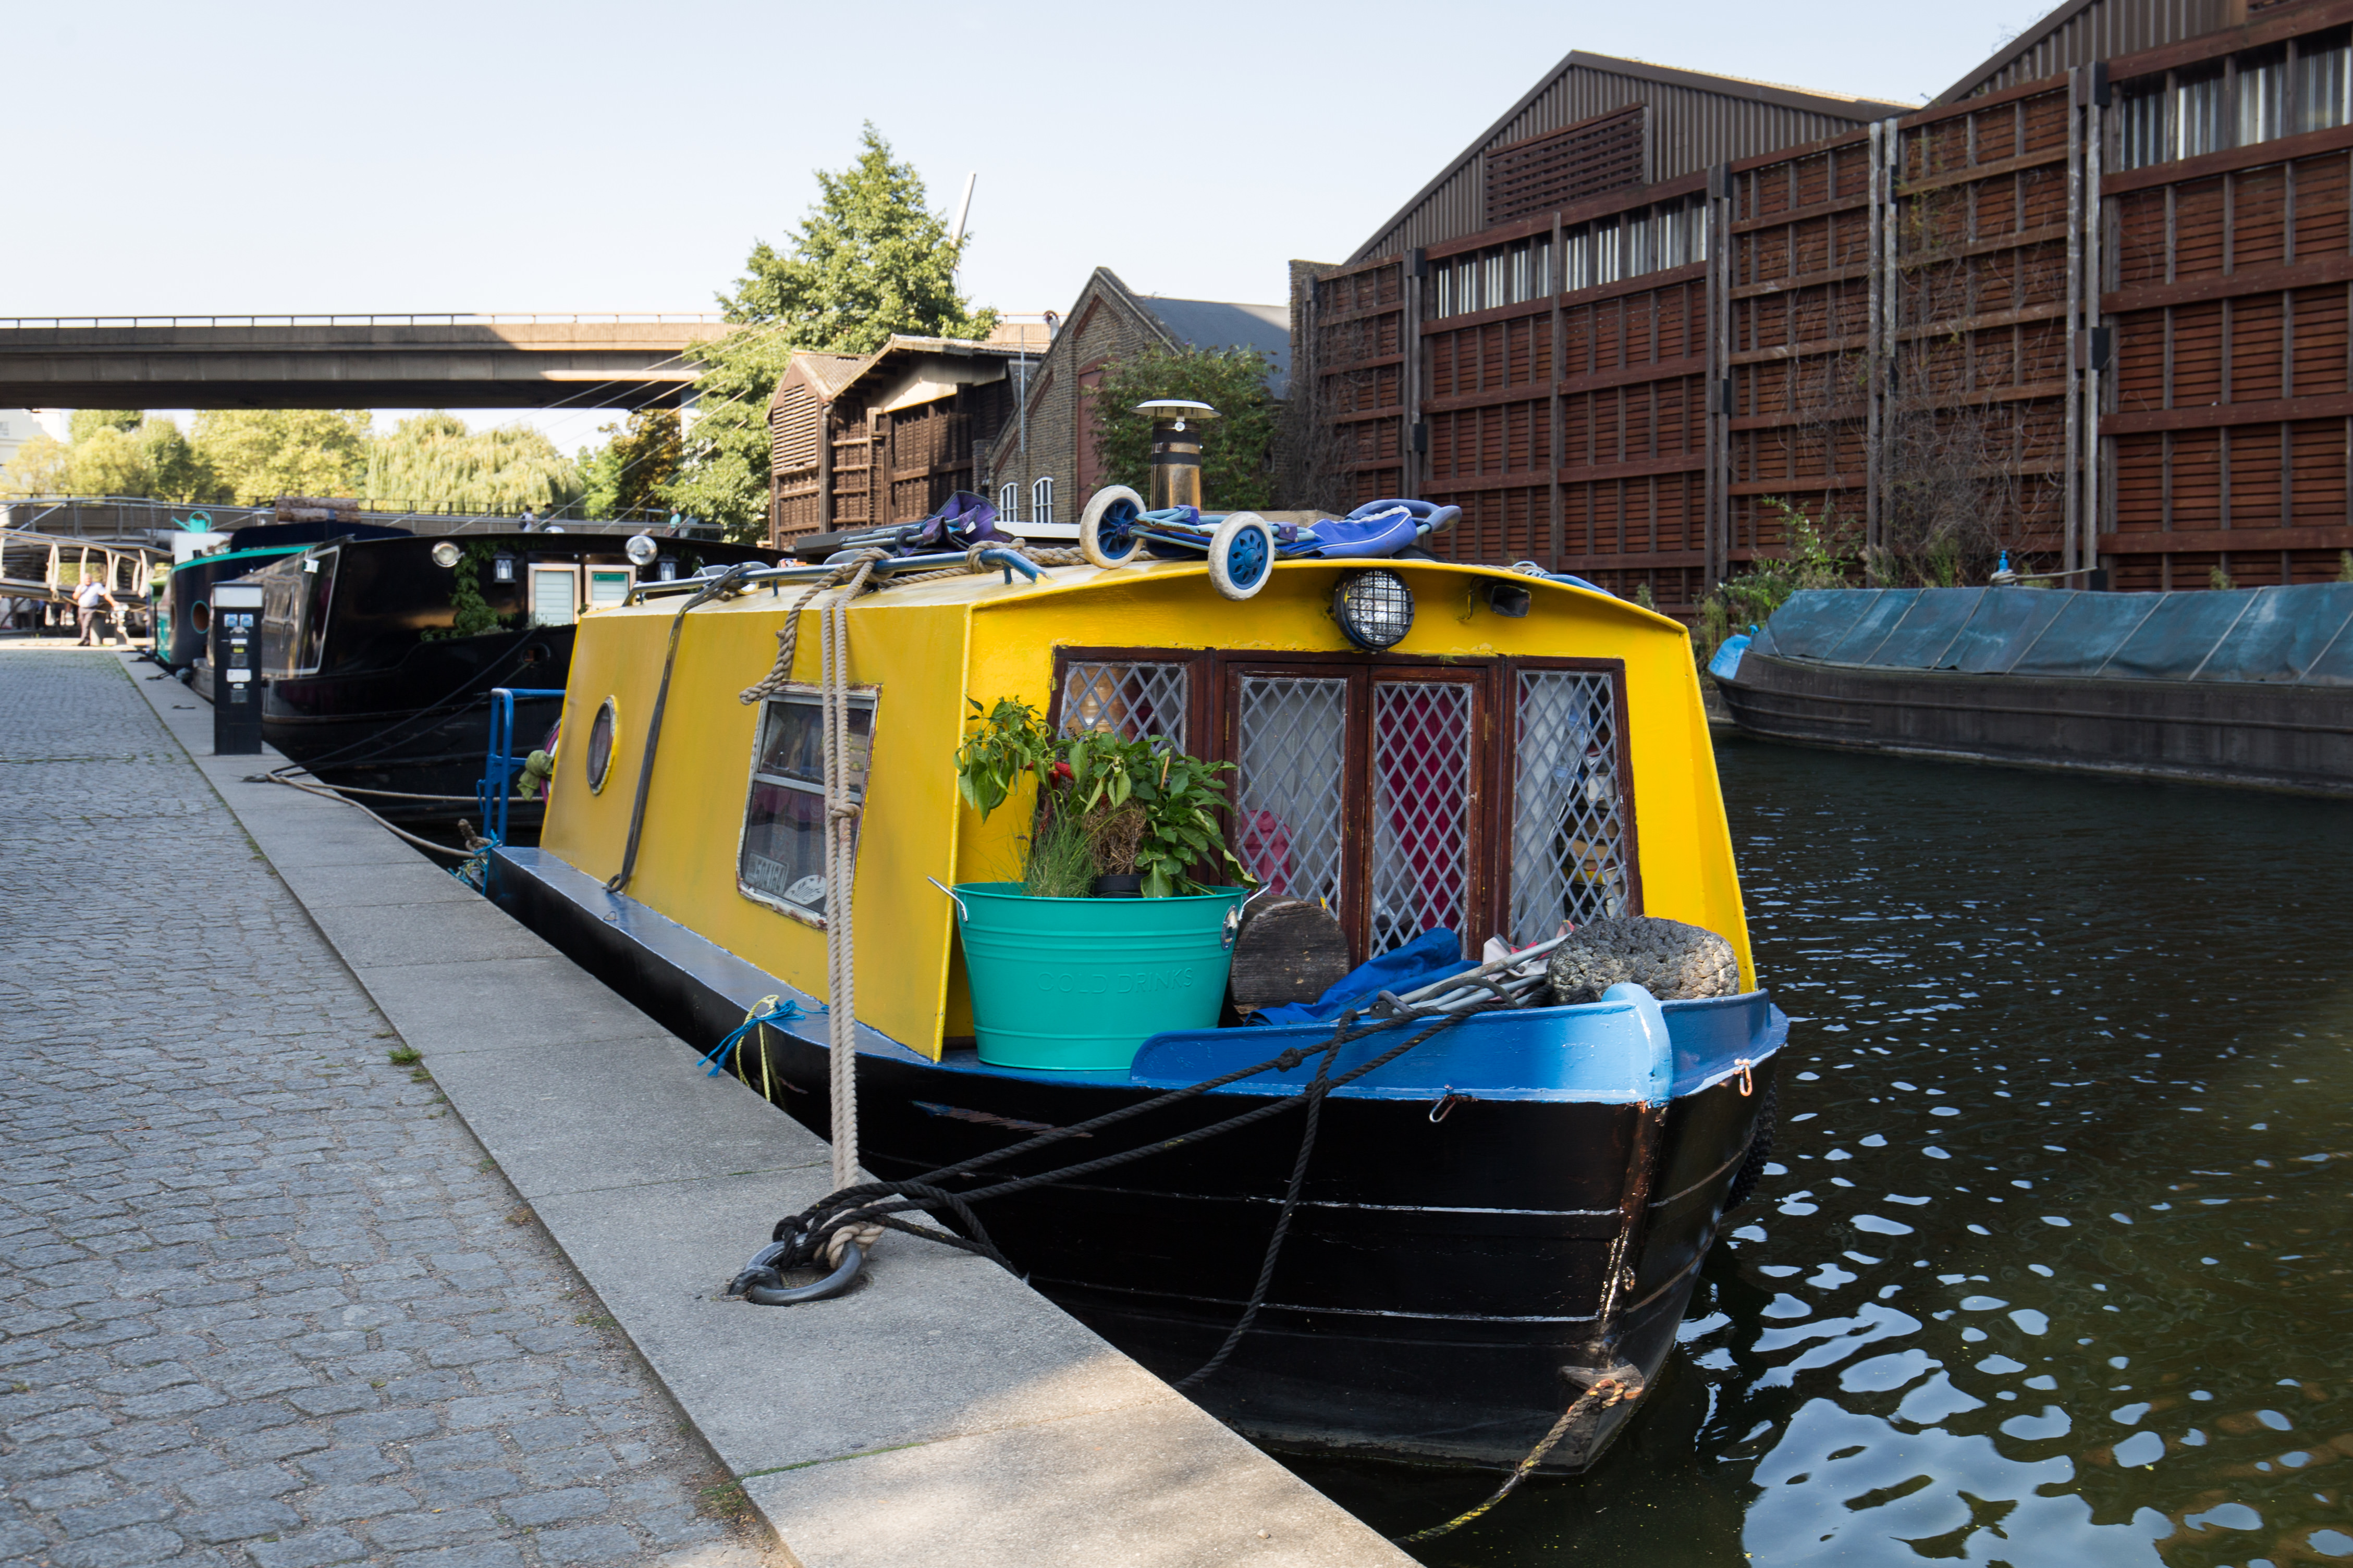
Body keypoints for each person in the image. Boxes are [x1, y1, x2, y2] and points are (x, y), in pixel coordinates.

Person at [75, 575, 120, 647]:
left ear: (91, 579)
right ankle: (87, 641)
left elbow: (106, 594)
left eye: (89, 579)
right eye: (86, 579)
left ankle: (83, 640)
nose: (88, 580)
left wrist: (113, 602)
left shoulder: (97, 586)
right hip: (82, 608)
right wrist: (81, 588)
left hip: (91, 609)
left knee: (86, 625)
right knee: (84, 626)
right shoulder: (80, 587)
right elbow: (75, 597)